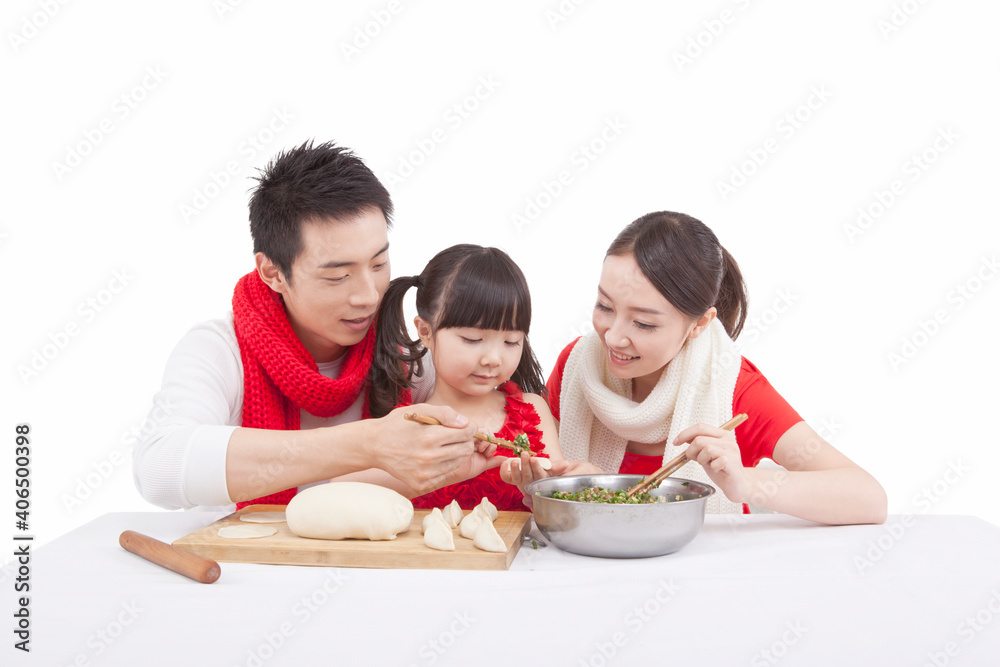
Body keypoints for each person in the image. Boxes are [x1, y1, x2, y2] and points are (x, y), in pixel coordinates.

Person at [132, 141, 498, 511]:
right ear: (273, 272)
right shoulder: (218, 351)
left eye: (378, 264)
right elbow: (158, 466)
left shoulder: (407, 361)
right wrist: (368, 443)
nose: (369, 297)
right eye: (338, 276)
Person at [546, 211, 887, 524]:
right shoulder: (579, 366)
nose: (614, 337)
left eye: (643, 324)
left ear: (700, 323)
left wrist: (747, 482)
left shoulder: (734, 388)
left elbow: (869, 499)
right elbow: (543, 474)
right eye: (604, 306)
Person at [357, 244, 598, 510]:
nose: (493, 358)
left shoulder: (532, 410)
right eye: (473, 339)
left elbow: (557, 503)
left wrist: (574, 485)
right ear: (425, 332)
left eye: (510, 341)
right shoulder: (409, 423)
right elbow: (345, 493)